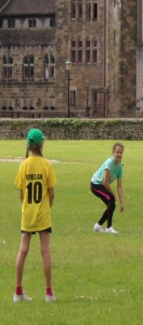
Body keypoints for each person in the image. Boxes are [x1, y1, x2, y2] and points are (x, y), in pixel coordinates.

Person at [14, 128, 57, 303]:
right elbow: (52, 193)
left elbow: (21, 193)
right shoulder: (46, 165)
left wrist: (27, 206)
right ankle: (48, 293)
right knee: (45, 251)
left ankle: (18, 291)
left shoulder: (24, 165)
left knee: (22, 250)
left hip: (27, 214)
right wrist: (47, 207)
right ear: (41, 144)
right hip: (43, 214)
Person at [90, 142, 125, 234]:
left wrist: (122, 203)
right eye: (117, 152)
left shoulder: (120, 167)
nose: (119, 154)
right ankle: (109, 227)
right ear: (113, 153)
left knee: (112, 204)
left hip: (102, 185)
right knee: (111, 199)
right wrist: (113, 194)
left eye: (121, 152)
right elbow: (105, 182)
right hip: (95, 184)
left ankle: (98, 226)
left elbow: (120, 187)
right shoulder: (109, 163)